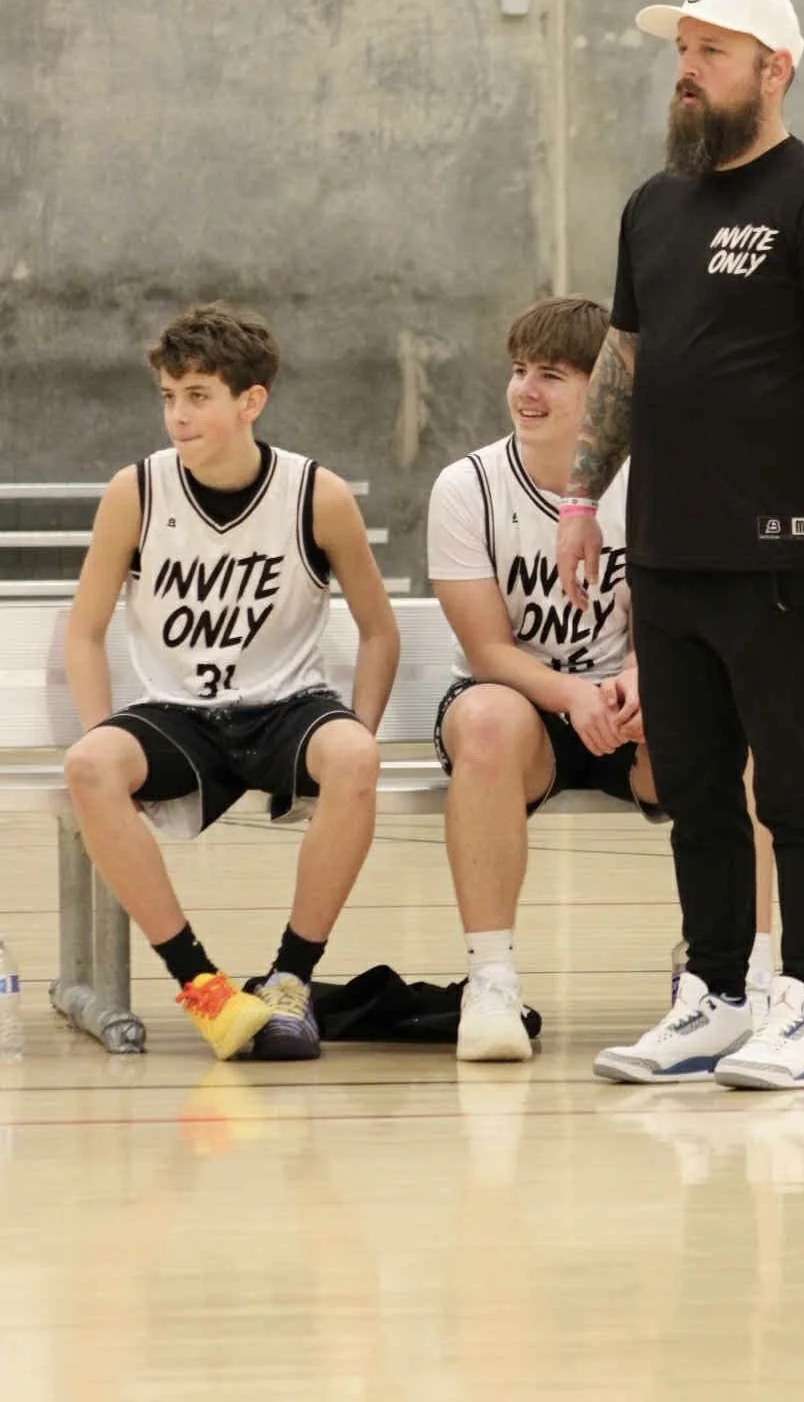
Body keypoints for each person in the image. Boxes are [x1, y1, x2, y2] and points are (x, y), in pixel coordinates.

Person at [557, 0, 804, 1091]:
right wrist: (579, 497)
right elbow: (625, 362)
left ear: (773, 68)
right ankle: (712, 996)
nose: (686, 72)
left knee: (792, 783)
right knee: (691, 785)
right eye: (680, 52)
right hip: (665, 548)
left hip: (785, 550)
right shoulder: (653, 205)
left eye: (710, 51)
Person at [63, 303, 399, 1061]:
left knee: (354, 758)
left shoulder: (317, 495)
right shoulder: (136, 492)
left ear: (251, 401)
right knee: (89, 766)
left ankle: (289, 983)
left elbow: (381, 630)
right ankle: (205, 990)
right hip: (178, 711)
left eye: (198, 396)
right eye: (169, 397)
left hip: (286, 707)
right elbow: (84, 632)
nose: (178, 416)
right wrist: (99, 729)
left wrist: (362, 736)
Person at [428, 295, 663, 1064]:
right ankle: (490, 979)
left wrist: (638, 680)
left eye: (553, 376)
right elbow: (488, 649)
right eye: (520, 371)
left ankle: (718, 968)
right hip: (527, 707)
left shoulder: (657, 478)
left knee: (715, 714)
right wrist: (570, 694)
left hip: (628, 705)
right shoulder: (468, 488)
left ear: (605, 391)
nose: (526, 390)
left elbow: (672, 620)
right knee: (486, 721)